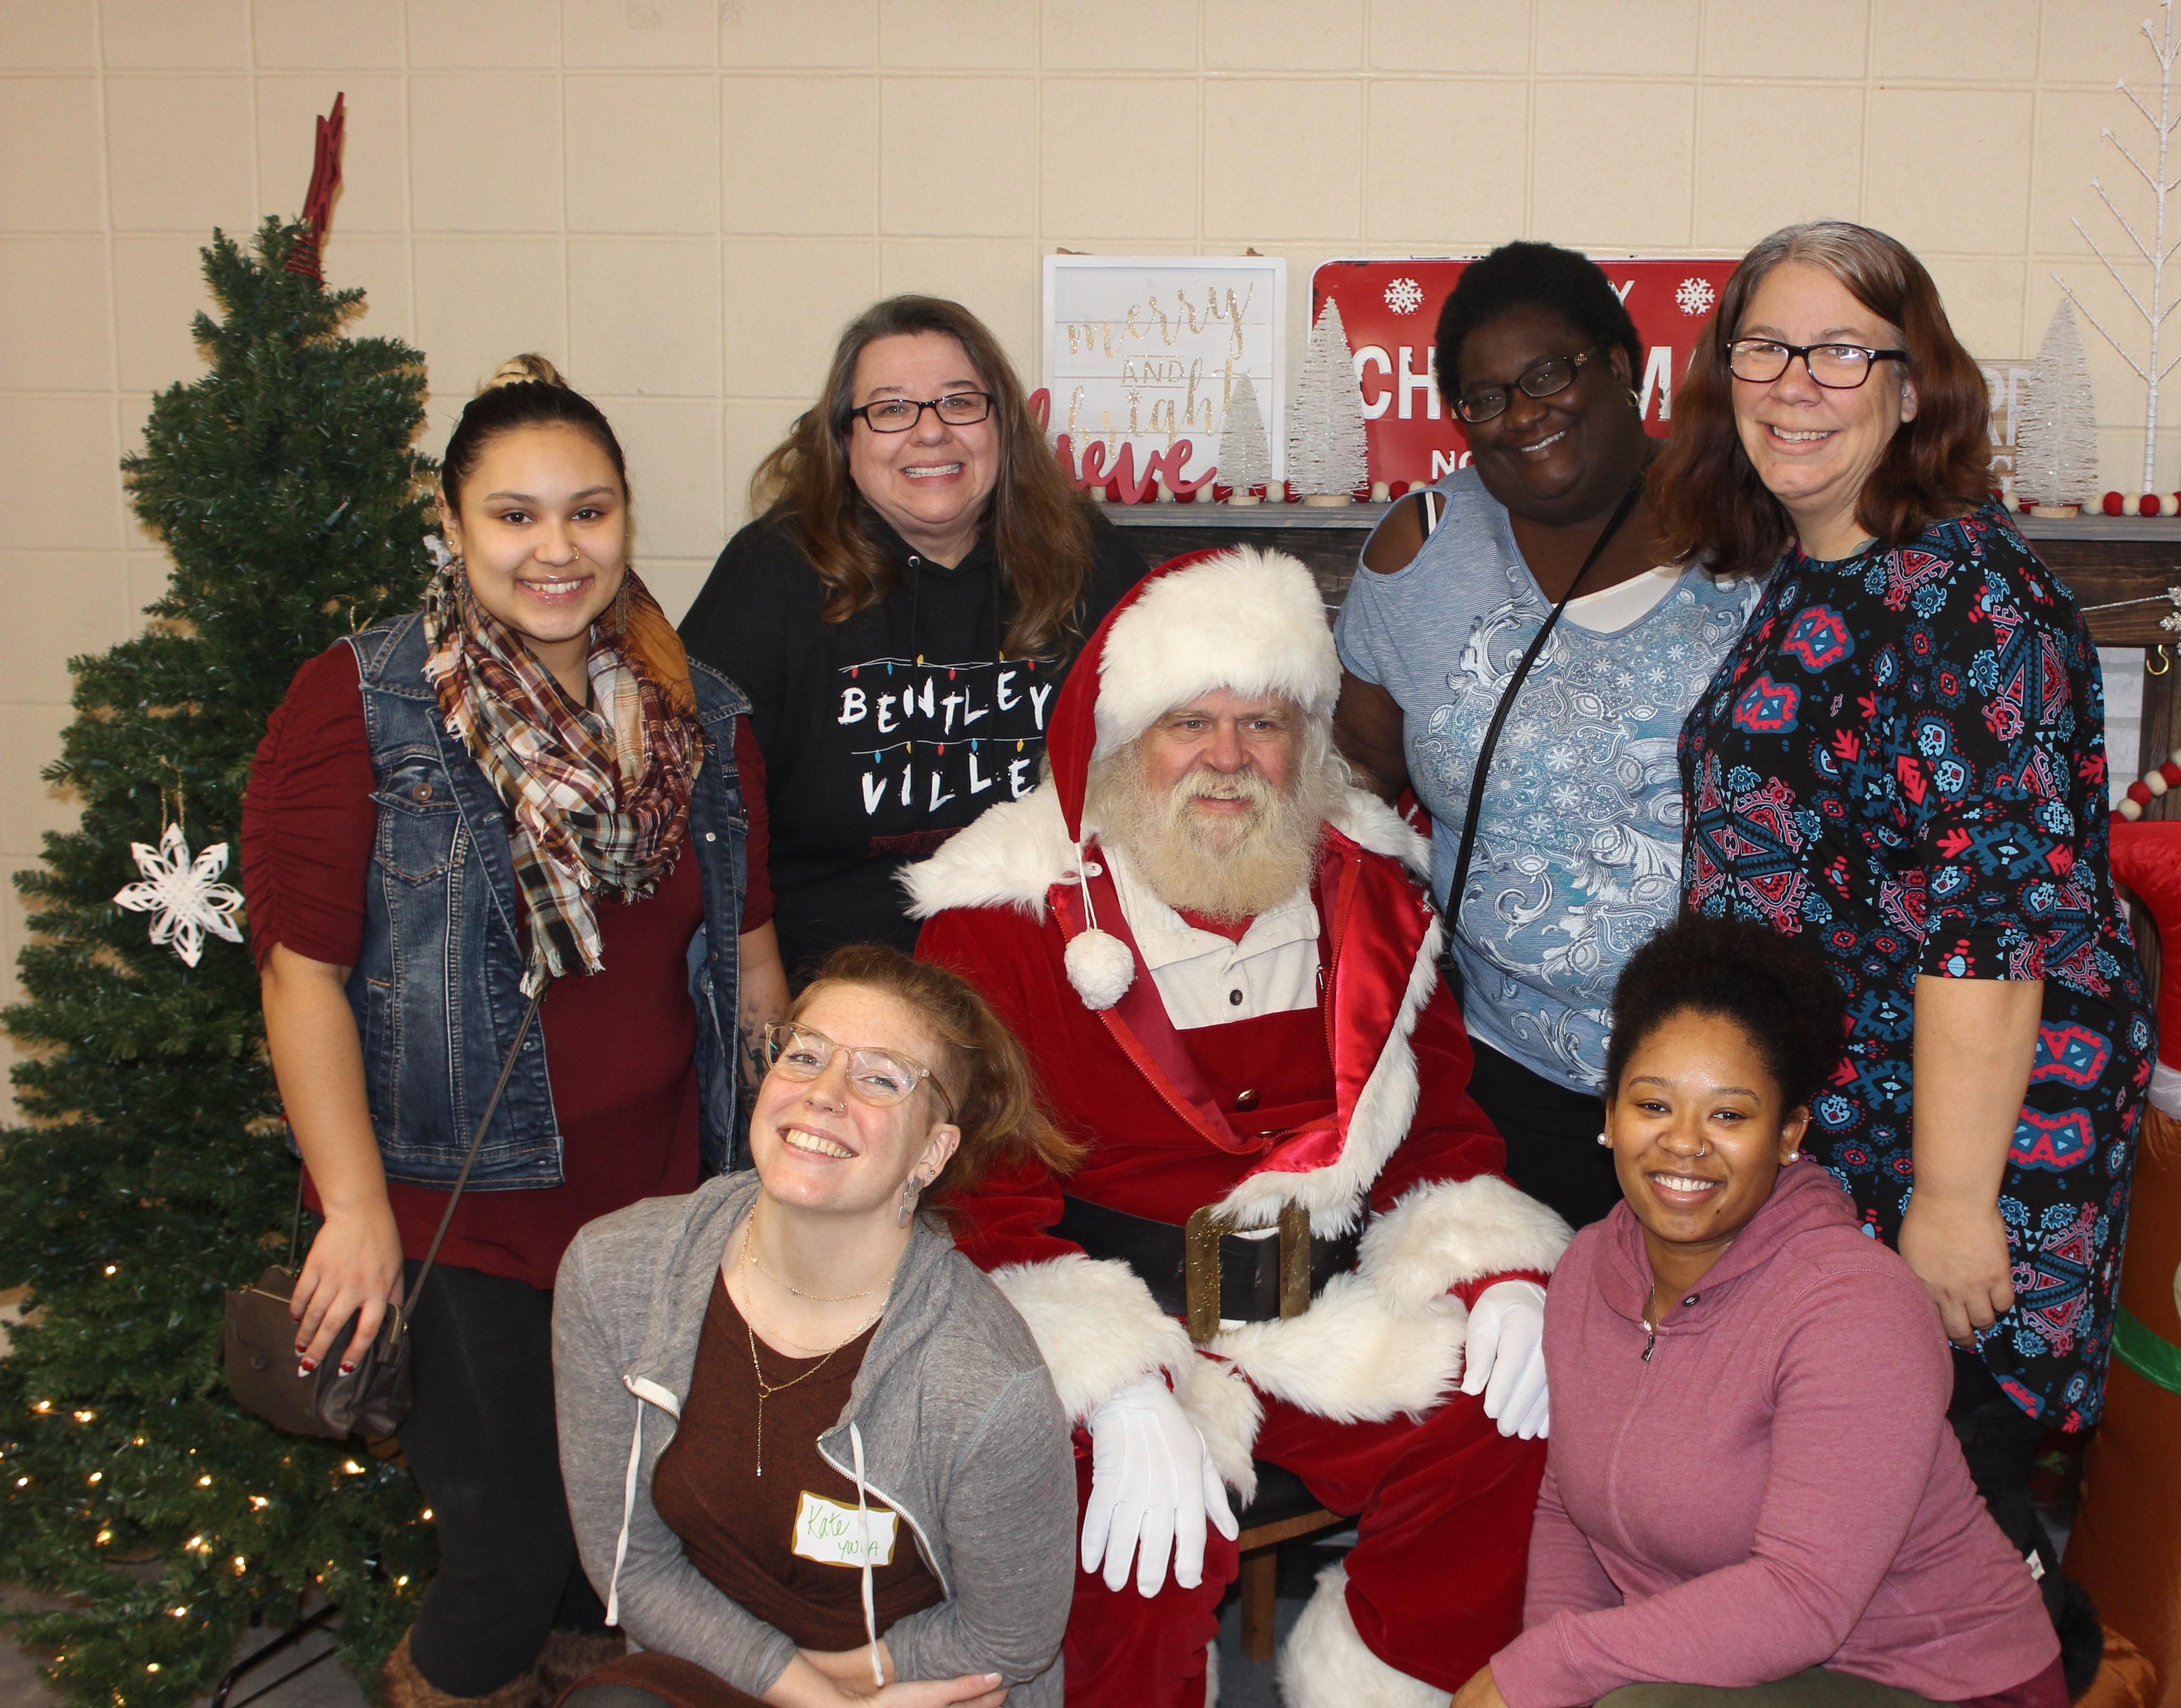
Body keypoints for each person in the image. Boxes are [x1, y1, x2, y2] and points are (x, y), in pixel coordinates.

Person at [900, 546, 1570, 1708]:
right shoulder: (1000, 924)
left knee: (1512, 1427)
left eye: (1262, 724)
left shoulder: (1372, 894)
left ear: (1306, 742)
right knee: (1134, 1544)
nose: (1226, 760)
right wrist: (1112, 1383)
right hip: (1108, 1312)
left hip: (1326, 1311)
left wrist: (1500, 1272)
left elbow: (1442, 1135)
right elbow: (975, 1205)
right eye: (1187, 723)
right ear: (1119, 742)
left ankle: (1382, 1687)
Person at [241, 356, 791, 1708]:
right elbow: (300, 975)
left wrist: (789, 1170)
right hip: (451, 1203)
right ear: (454, 521)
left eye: (589, 512)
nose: (558, 550)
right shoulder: (366, 703)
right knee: (508, 1554)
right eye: (516, 515)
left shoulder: (700, 716)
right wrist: (353, 1210)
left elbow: (751, 950)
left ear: (625, 518)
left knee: (609, 1558)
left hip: (652, 1209)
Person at [1653, 220, 2152, 1686]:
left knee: (1950, 1539)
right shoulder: (1826, 573)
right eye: (1765, 347)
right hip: (1854, 1135)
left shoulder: (1965, 597)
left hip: (1952, 1144)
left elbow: (1986, 926)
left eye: (1842, 352)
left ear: (1915, 385)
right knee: (1879, 1529)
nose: (1795, 385)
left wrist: (1951, 1202)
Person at [1453, 914, 2064, 1708]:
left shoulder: (1857, 1308)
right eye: (1653, 1105)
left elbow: (1803, 1599)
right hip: (1731, 1664)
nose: (1685, 1144)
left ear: (1789, 1135)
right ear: (1609, 1118)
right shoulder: (1583, 1273)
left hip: (1933, 1678)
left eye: (1730, 1116)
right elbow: (1568, 1509)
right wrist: (1549, 1675)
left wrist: (1552, 1670)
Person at [1334, 241, 1757, 1230]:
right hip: (1504, 1071)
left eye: (1549, 374)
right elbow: (1356, 777)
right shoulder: (1421, 550)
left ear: (1622, 364)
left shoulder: (1755, 533)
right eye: (1484, 398)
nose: (1522, 415)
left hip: (1729, 1075)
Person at [552, 945, 1081, 1708]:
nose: (825, 1094)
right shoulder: (617, 1273)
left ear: (932, 1154)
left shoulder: (987, 1383)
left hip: (912, 1688)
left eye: (880, 1078)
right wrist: (804, 1697)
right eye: (805, 1055)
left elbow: (1009, 1643)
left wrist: (849, 1690)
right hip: (709, 1660)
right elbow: (630, 1565)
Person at [681, 295, 1151, 980]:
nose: (930, 434)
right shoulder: (770, 576)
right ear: (845, 440)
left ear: (1003, 427)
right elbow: (708, 809)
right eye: (892, 409)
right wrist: (761, 994)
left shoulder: (1089, 562)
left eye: (960, 402)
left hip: (1056, 977)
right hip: (834, 987)